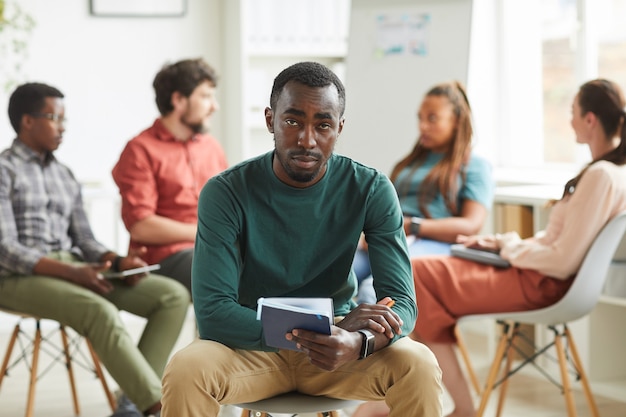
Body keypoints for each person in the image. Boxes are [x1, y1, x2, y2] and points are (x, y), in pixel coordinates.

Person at [160, 61, 443, 417]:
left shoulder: (370, 188)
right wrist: (319, 329)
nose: (307, 140)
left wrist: (358, 341)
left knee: (418, 363)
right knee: (187, 369)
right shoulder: (226, 192)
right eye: (292, 121)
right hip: (249, 346)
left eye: (323, 125)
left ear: (338, 128)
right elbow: (214, 312)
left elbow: (402, 303)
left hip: (339, 350)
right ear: (270, 120)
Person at [357, 78, 626, 417]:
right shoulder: (609, 172)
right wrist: (501, 242)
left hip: (543, 282)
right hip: (533, 271)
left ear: (590, 120)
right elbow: (557, 245)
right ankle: (405, 398)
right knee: (420, 278)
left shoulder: (603, 175)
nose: (569, 120)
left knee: (417, 278)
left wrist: (509, 250)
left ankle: (450, 407)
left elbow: (561, 261)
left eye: (572, 112)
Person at [0, 82, 190, 417]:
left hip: (72, 267)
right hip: (16, 277)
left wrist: (116, 261)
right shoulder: (4, 170)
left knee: (171, 296)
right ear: (27, 121)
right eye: (54, 118)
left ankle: (132, 400)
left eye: (64, 119)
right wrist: (71, 273)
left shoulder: (64, 175)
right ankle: (159, 408)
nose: (62, 127)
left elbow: (84, 240)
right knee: (99, 311)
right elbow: (6, 249)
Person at [354, 81, 494, 304]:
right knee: (337, 276)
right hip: (394, 239)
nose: (423, 126)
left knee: (373, 291)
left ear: (457, 121)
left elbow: (471, 225)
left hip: (436, 245)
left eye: (432, 118)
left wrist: (411, 225)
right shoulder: (410, 165)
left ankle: (364, 339)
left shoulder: (475, 166)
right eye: (420, 118)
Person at [112, 58, 228, 294]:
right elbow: (141, 226)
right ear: (178, 100)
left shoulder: (211, 147)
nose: (214, 106)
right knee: (226, 273)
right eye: (205, 96)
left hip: (215, 249)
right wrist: (207, 232)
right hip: (166, 257)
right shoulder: (140, 149)